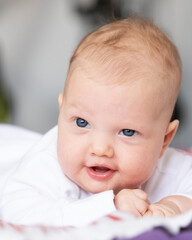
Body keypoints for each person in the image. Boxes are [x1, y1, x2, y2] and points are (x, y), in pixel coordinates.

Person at [0, 17, 192, 227]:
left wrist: (175, 205)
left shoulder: (168, 168)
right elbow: (16, 211)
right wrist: (109, 207)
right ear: (62, 111)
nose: (100, 149)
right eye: (82, 123)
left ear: (164, 140)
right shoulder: (45, 164)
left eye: (127, 132)